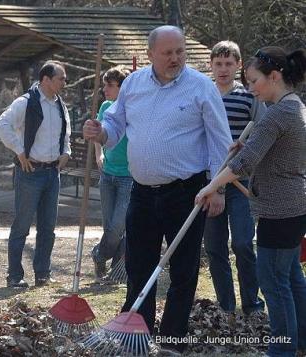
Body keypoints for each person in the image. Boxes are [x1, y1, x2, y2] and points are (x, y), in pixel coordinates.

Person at [83, 25, 233, 354]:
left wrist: (218, 188)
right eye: (168, 53)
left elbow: (221, 141)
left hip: (187, 193)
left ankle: (172, 341)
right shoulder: (134, 84)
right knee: (138, 265)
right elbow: (116, 125)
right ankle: (136, 333)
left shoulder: (200, 87)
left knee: (183, 269)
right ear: (150, 54)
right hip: (142, 192)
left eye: (180, 51)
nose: (175, 58)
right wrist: (100, 131)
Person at [196, 46, 306, 357]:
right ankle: (300, 342)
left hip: (279, 211)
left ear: (274, 77)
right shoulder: (295, 106)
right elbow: (273, 152)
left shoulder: (277, 113)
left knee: (273, 283)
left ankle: (281, 350)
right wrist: (247, 143)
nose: (252, 87)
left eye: (255, 80)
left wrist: (210, 188)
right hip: (293, 207)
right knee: (291, 277)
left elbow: (243, 163)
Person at [0, 60, 71, 289]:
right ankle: (15, 276)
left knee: (48, 227)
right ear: (46, 79)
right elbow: (2, 126)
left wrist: (66, 151)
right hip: (31, 172)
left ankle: (42, 274)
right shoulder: (25, 103)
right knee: (22, 226)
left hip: (52, 173)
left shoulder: (60, 105)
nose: (64, 82)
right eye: (61, 78)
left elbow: (65, 132)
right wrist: (20, 151)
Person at [204, 40, 265, 316]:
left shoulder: (249, 97)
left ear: (238, 65)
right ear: (211, 66)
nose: (224, 69)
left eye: (229, 64)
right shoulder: (204, 96)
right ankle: (226, 305)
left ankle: (251, 304)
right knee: (215, 247)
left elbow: (263, 134)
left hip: (241, 183)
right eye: (218, 64)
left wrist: (246, 148)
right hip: (211, 182)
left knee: (242, 243)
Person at [91, 65, 132, 283]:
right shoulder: (106, 106)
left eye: (110, 85)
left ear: (122, 88)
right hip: (107, 174)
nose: (105, 89)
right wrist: (99, 155)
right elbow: (99, 134)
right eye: (104, 84)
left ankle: (98, 254)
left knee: (118, 226)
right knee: (110, 226)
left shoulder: (133, 109)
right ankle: (117, 272)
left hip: (129, 176)